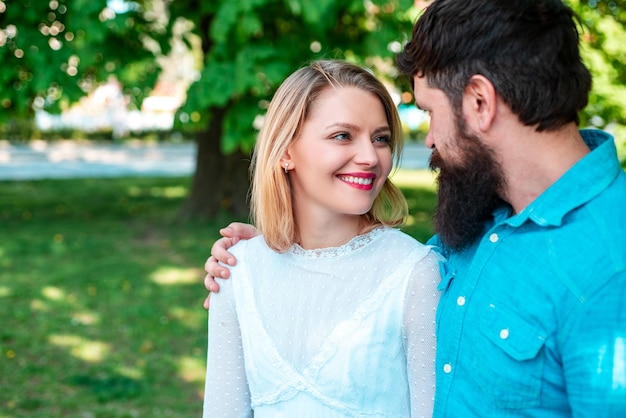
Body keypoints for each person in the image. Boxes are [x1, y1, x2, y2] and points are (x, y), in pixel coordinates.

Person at [204, 0, 626, 416]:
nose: (428, 140)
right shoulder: (485, 218)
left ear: (480, 102)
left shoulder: (610, 269)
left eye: (429, 111)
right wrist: (284, 252)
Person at [202, 59, 441, 417]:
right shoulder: (237, 270)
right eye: (342, 135)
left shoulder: (416, 274)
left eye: (381, 139)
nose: (370, 157)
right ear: (285, 151)